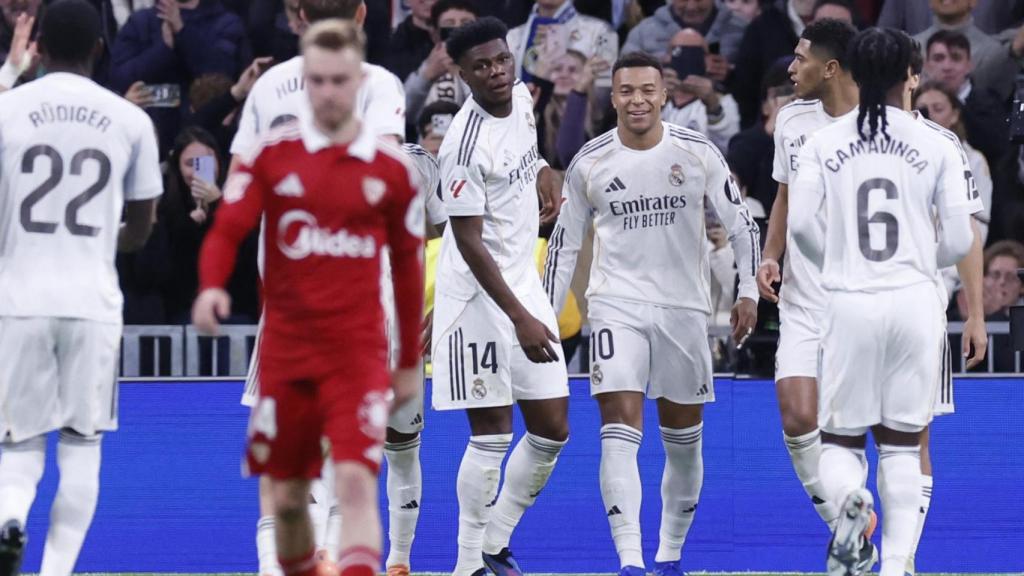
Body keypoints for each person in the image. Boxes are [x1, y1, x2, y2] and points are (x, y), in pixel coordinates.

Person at [192, 19, 423, 576]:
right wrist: (210, 287)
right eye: (316, 80)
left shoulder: (391, 169)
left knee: (353, 482)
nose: (327, 92)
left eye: (339, 80)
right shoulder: (274, 157)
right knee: (290, 497)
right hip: (288, 348)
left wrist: (410, 361)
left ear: (359, 83)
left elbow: (409, 265)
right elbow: (229, 226)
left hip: (359, 347)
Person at [544, 50, 760, 576]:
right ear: (612, 97)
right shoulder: (590, 161)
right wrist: (546, 317)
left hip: (685, 309)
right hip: (615, 306)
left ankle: (668, 555)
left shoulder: (699, 151)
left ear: (664, 95)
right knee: (619, 427)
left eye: (647, 90)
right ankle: (630, 560)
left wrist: (748, 289)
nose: (636, 100)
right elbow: (563, 245)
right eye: (626, 91)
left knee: (683, 440)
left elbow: (741, 224)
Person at [788, 27, 977, 576]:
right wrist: (923, 260)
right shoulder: (938, 142)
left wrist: (838, 262)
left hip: (850, 300)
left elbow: (801, 225)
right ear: (909, 76)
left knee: (840, 442)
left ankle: (852, 504)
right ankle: (895, 564)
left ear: (851, 71)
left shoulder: (823, 141)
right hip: (917, 303)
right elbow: (963, 240)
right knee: (902, 445)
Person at [0, 1, 162, 575]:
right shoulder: (129, 120)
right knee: (81, 445)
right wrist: (103, 239)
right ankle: (55, 571)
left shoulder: (8, 111)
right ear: (100, 48)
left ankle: (10, 517)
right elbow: (142, 228)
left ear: (38, 46)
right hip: (91, 303)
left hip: (17, 302)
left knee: (19, 447)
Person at [431, 17, 568, 576]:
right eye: (481, 66)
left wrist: (544, 169)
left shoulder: (523, 100)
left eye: (501, 60)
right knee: (492, 434)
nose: (495, 72)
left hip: (520, 283)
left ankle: (495, 540)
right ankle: (467, 566)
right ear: (460, 74)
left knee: (553, 429)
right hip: (477, 299)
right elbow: (465, 243)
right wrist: (520, 319)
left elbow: (527, 151)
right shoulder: (460, 147)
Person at [757, 17, 860, 535]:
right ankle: (845, 526)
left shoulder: (878, 124)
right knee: (797, 419)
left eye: (801, 59)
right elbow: (784, 196)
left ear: (832, 68)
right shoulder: (792, 120)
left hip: (861, 299)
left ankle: (889, 546)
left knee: (856, 427)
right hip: (800, 297)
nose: (791, 67)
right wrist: (769, 255)